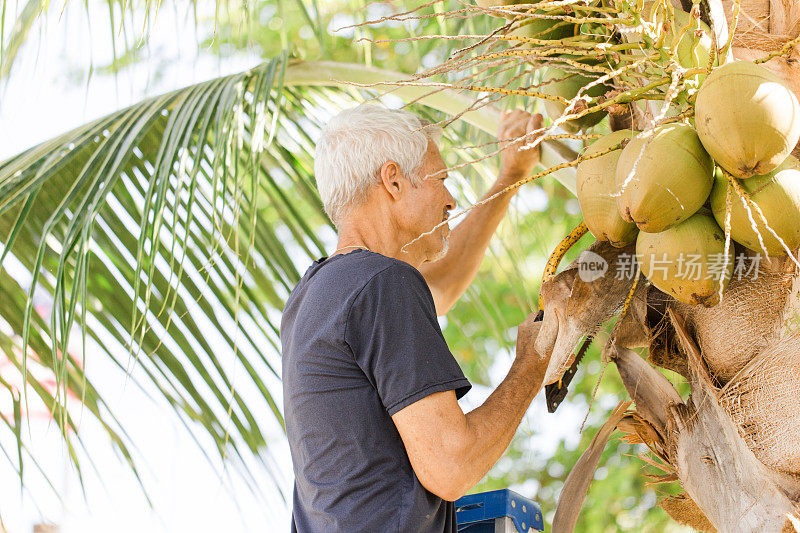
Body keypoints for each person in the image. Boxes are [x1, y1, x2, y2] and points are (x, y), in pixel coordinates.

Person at [280, 104, 552, 532]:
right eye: (441, 179)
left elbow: (440, 286)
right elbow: (452, 466)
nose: (450, 199)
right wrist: (532, 365)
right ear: (392, 180)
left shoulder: (319, 294)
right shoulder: (383, 284)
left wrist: (511, 176)